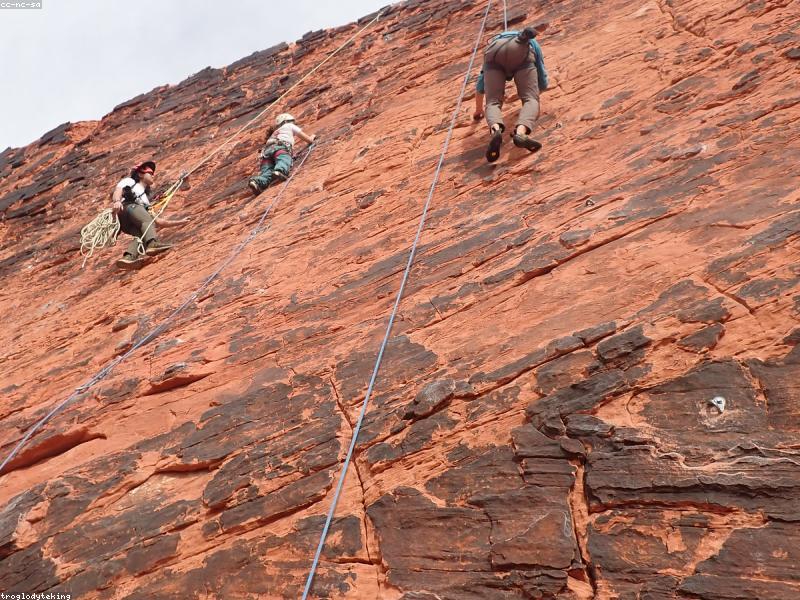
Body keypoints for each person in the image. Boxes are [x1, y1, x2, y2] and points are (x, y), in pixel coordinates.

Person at [473, 26, 549, 163]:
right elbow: (542, 76)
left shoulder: (495, 40)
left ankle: (496, 129)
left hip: (494, 50)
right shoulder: (532, 43)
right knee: (530, 99)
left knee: (493, 102)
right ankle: (520, 133)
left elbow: (480, 86)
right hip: (521, 50)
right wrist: (538, 93)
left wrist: (478, 110)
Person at [111, 160, 188, 268]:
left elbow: (158, 222)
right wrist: (117, 201)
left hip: (126, 221)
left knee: (141, 235)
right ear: (140, 174)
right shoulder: (129, 181)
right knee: (147, 222)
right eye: (150, 173)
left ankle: (128, 257)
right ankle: (152, 244)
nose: (153, 176)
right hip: (128, 206)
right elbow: (118, 191)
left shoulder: (145, 200)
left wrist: (181, 222)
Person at [248, 113, 317, 196]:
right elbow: (306, 138)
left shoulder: (275, 133)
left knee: (267, 171)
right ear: (287, 121)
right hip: (280, 148)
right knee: (284, 159)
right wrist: (311, 138)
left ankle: (258, 182)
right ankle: (279, 171)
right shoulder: (289, 125)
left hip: (266, 154)